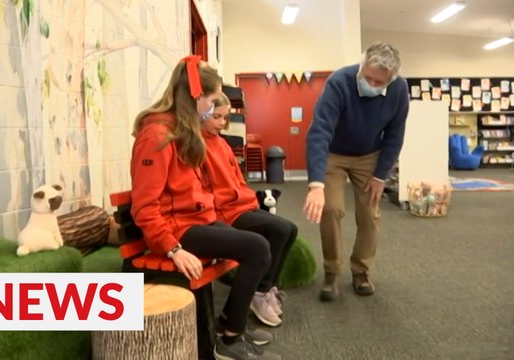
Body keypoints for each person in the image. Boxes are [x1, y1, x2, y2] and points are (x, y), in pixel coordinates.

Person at [131, 55, 280, 360]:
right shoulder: (156, 136)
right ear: (196, 97)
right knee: (257, 248)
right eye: (211, 100)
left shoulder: (182, 129)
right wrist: (173, 249)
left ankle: (229, 324)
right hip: (176, 231)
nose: (213, 108)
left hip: (196, 222)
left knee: (258, 245)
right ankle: (230, 338)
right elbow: (144, 206)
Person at [303, 42, 410, 302]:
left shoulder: (399, 89)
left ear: (391, 80)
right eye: (368, 77)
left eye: (378, 82)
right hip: (334, 153)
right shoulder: (339, 82)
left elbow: (395, 134)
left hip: (369, 155)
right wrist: (316, 184)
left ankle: (361, 271)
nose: (371, 84)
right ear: (362, 65)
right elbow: (319, 132)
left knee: (370, 214)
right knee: (330, 209)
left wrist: (380, 176)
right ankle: (331, 271)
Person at [201, 93, 298, 327]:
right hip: (224, 213)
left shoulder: (221, 143)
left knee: (290, 228)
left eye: (225, 117)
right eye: (216, 117)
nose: (222, 123)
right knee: (279, 230)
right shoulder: (198, 144)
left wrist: (247, 198)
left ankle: (267, 288)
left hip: (240, 205)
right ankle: (259, 292)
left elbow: (237, 181)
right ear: (200, 113)